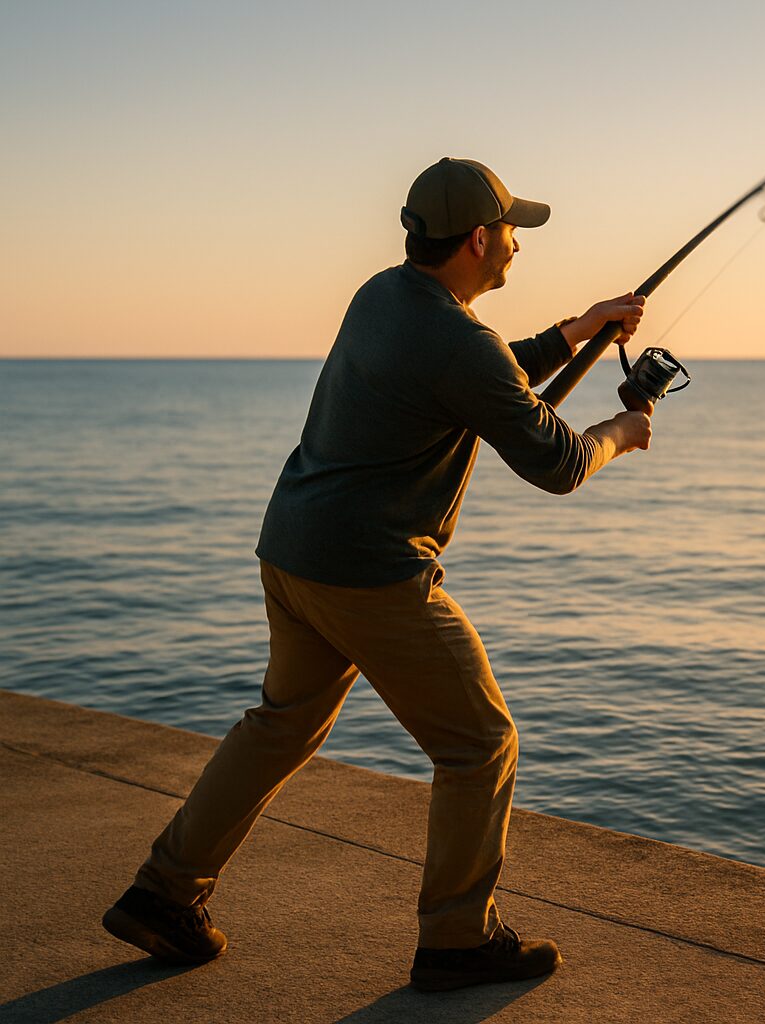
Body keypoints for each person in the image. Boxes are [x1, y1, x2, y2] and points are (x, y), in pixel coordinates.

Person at [101, 156, 652, 992]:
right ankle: (458, 939)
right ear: (477, 239)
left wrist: (578, 331)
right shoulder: (461, 344)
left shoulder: (383, 295)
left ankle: (163, 893)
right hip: (371, 573)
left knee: (280, 725)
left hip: (292, 551)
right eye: (510, 231)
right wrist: (623, 427)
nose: (516, 244)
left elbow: (478, 372)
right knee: (480, 744)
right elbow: (560, 463)